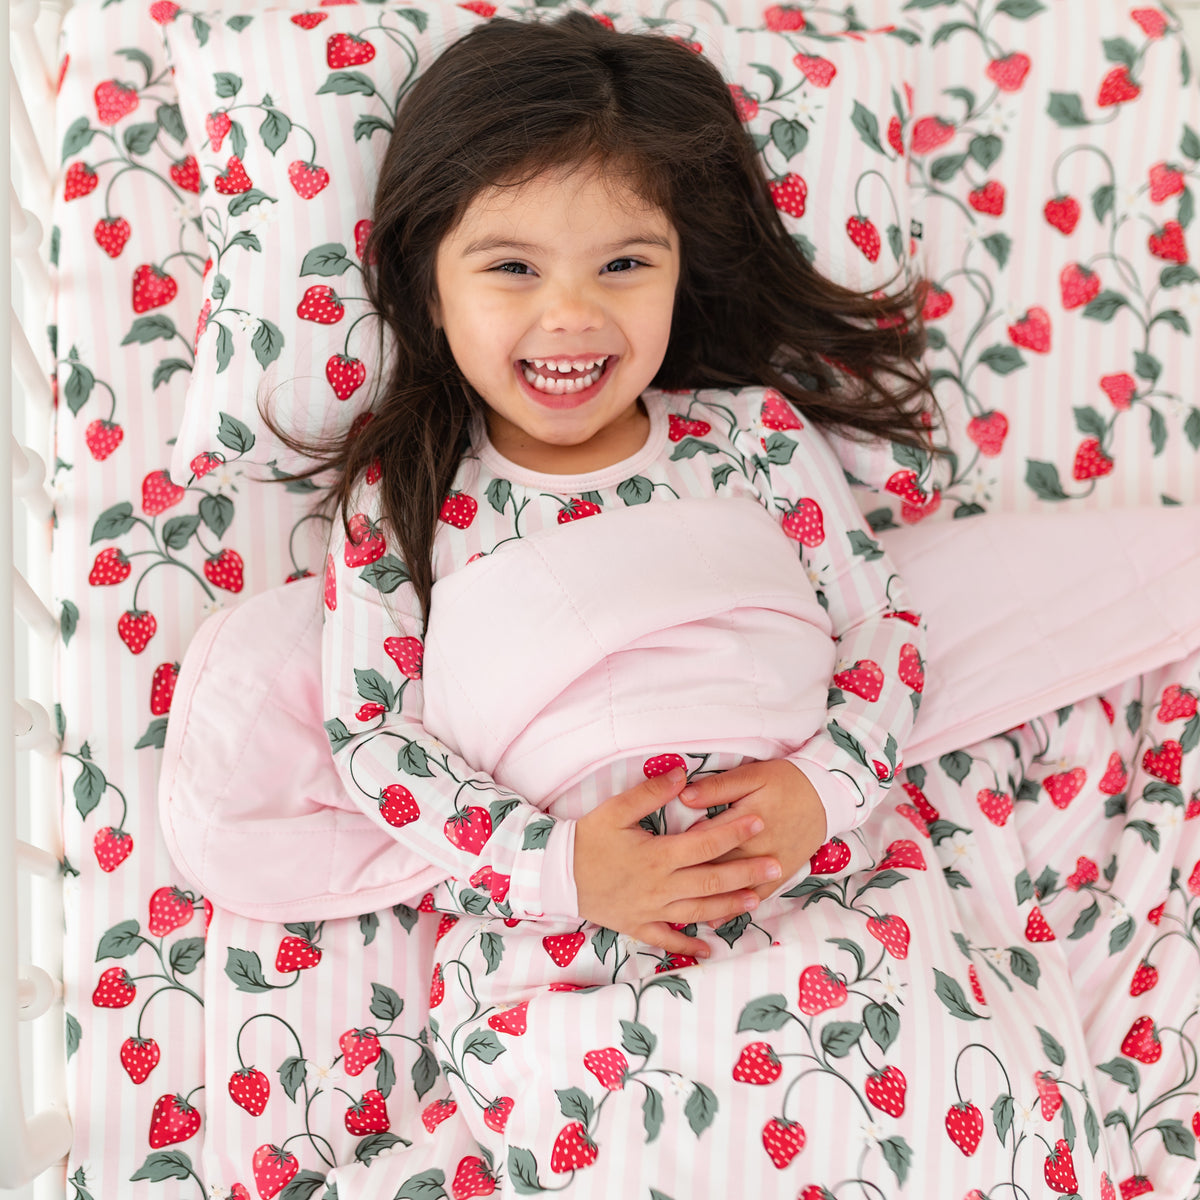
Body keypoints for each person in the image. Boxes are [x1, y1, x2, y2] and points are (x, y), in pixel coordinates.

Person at [264, 9, 939, 1185]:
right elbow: (373, 734)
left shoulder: (754, 437)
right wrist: (565, 869)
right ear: (430, 288)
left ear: (681, 267)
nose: (572, 314)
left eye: (625, 264)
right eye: (512, 268)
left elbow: (881, 627)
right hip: (566, 939)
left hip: (809, 881)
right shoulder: (411, 490)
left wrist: (820, 791)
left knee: (905, 1093)